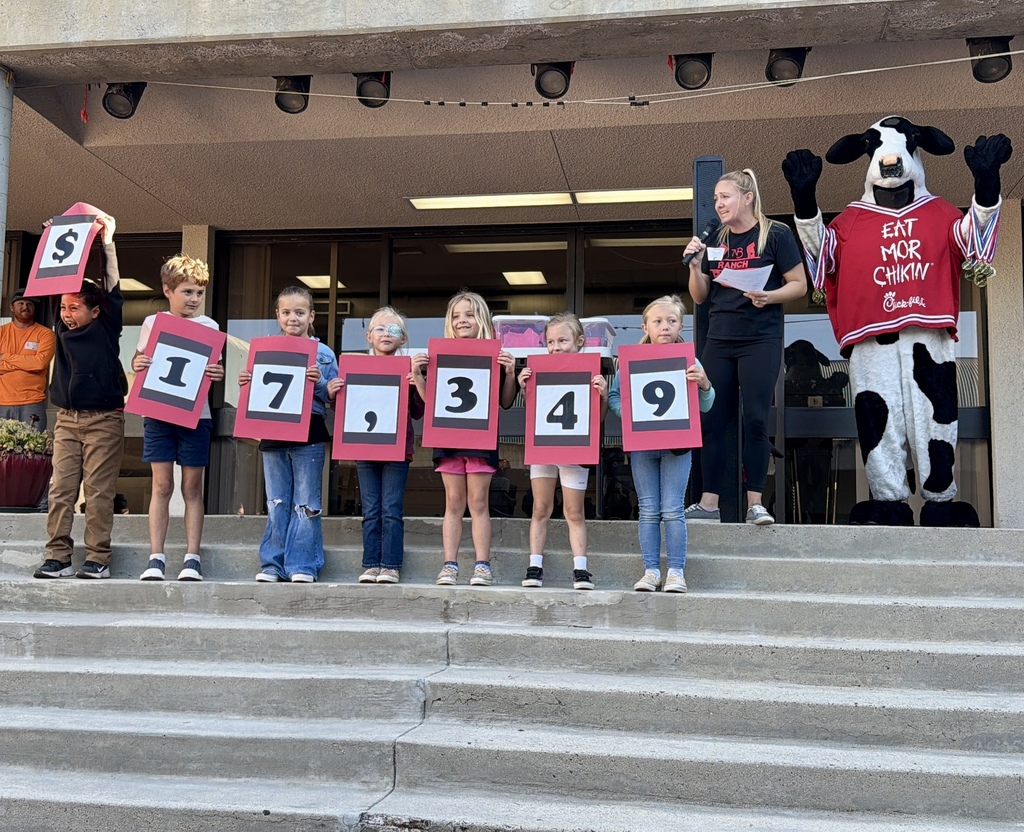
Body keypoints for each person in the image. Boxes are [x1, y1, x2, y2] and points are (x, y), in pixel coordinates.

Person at [683, 169, 808, 526]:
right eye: (716, 199)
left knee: (755, 418)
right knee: (711, 419)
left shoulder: (776, 234)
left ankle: (755, 502)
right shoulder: (715, 239)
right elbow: (701, 296)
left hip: (760, 338)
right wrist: (695, 267)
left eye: (725, 197)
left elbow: (799, 284)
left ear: (748, 197)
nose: (718, 204)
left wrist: (769, 296)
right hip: (720, 339)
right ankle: (709, 503)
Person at [33, 214, 126, 579]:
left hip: (103, 419)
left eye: (75, 308)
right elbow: (56, 282)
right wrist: (51, 238)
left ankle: (97, 558)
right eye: (63, 307)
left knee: (99, 493)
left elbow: (111, 284)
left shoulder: (107, 326)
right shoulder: (60, 326)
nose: (67, 314)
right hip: (67, 419)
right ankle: (57, 556)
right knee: (60, 492)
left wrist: (107, 242)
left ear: (95, 311)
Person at [608, 296, 716, 593]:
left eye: (671, 321)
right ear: (645, 326)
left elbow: (706, 404)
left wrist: (705, 384)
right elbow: (615, 397)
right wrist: (627, 413)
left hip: (677, 445)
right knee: (648, 509)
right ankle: (651, 570)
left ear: (681, 324)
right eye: (657, 321)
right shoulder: (630, 361)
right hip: (643, 444)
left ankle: (676, 571)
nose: (664, 326)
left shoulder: (689, 360)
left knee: (672, 508)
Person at [411, 290, 516, 587]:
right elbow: (431, 402)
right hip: (448, 437)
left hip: (480, 438)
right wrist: (418, 375)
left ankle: (482, 565)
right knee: (454, 502)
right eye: (456, 316)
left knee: (478, 501)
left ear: (480, 318)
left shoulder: (493, 355)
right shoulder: (441, 356)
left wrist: (509, 372)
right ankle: (450, 564)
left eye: (469, 314)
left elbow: (506, 402)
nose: (462, 321)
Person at [132, 255, 224, 582]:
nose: (194, 299)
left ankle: (192, 557)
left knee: (192, 486)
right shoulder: (153, 323)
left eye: (199, 293)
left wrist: (217, 371)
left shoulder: (210, 327)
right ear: (168, 290)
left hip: (196, 416)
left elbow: (213, 368)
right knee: (161, 484)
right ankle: (156, 557)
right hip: (158, 414)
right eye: (187, 292)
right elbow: (139, 358)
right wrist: (138, 363)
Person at [240, 286, 338, 583]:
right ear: (277, 316)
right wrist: (246, 382)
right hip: (273, 432)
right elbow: (259, 395)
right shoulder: (264, 348)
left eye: (299, 312)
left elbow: (333, 398)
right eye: (286, 312)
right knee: (276, 501)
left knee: (306, 502)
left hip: (309, 430)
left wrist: (320, 383)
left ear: (312, 316)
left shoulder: (324, 353)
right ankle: (272, 564)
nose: (292, 318)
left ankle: (303, 565)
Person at [327, 306, 425, 584]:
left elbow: (418, 411)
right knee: (370, 508)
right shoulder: (354, 367)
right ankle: (371, 563)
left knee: (391, 508)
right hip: (365, 448)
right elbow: (346, 407)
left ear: (403, 339)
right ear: (368, 336)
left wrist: (416, 380)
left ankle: (391, 564)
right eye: (380, 328)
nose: (386, 333)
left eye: (393, 329)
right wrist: (333, 393)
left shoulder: (407, 370)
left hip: (398, 450)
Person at [517, 312, 608, 590]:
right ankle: (534, 565)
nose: (556, 347)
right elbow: (534, 412)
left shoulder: (591, 371)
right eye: (551, 342)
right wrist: (524, 385)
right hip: (545, 446)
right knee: (540, 507)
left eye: (563, 341)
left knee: (574, 511)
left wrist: (602, 394)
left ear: (580, 341)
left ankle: (580, 568)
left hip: (574, 447)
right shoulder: (538, 370)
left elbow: (598, 419)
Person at [0, 291, 56, 431]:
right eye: (21, 303)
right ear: (12, 307)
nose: (25, 306)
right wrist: (26, 364)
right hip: (2, 403)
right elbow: (34, 363)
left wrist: (5, 356)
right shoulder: (1, 332)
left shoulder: (45, 334)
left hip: (33, 403)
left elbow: (39, 363)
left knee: (34, 451)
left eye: (29, 304)